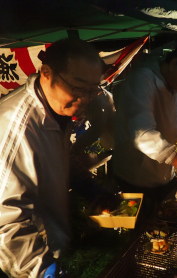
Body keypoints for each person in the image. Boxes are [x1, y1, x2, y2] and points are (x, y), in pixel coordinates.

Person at [0, 38, 111, 278]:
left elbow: (57, 158)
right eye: (79, 88)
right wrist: (43, 272)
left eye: (93, 90)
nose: (86, 99)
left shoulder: (56, 109)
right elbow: (4, 223)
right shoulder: (16, 128)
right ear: (47, 74)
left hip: (53, 243)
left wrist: (86, 185)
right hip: (28, 262)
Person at [113, 42, 177, 216]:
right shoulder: (142, 79)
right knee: (142, 233)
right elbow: (143, 134)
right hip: (134, 177)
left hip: (163, 176)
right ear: (174, 63)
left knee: (166, 223)